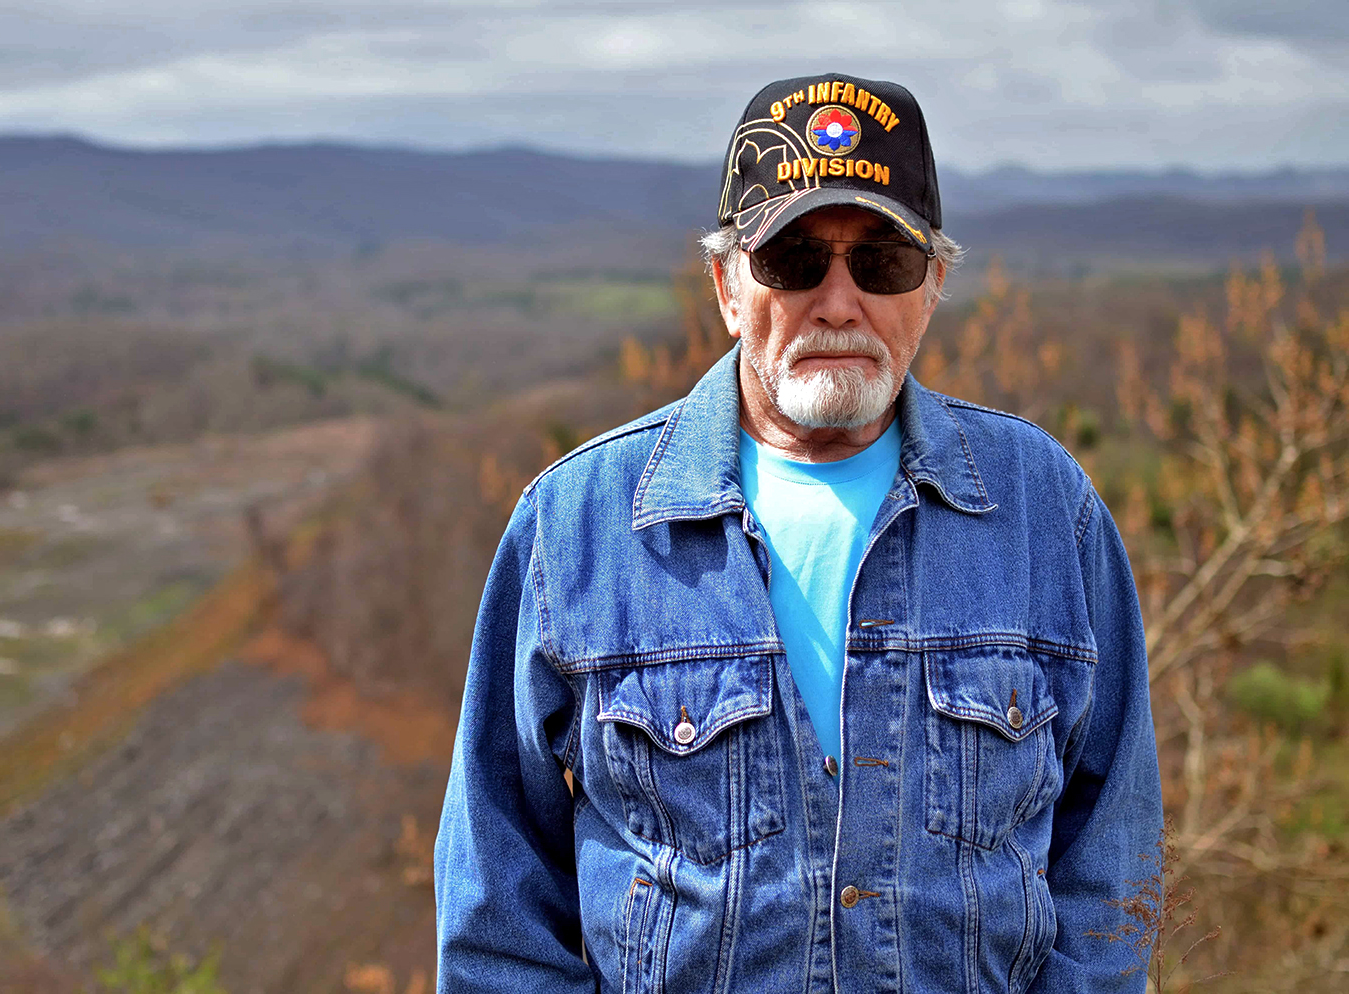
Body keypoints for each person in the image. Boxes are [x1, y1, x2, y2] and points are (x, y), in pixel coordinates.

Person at [435, 71, 1162, 993]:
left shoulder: (1046, 511)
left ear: (933, 284)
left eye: (883, 262)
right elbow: (496, 907)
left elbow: (1114, 866)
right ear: (727, 285)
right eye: (793, 259)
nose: (838, 300)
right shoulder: (575, 525)